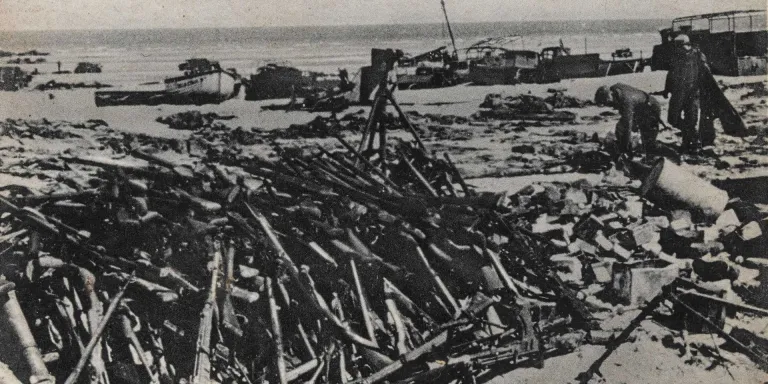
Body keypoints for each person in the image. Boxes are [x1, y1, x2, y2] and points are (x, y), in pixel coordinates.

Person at [663, 34, 710, 154]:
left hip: (693, 92)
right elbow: (671, 74)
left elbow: (706, 73)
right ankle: (689, 136)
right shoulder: (675, 57)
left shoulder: (698, 56)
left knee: (691, 119)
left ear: (685, 45)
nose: (678, 48)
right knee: (673, 119)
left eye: (679, 46)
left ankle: (690, 144)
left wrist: (703, 89)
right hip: (678, 93)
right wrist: (667, 89)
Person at [595, 83, 661, 159]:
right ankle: (627, 147)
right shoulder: (615, 89)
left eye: (608, 103)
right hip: (640, 108)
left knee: (648, 141)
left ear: (609, 96)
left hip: (651, 109)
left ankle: (653, 157)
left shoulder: (626, 100)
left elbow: (627, 126)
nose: (609, 105)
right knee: (620, 128)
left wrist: (625, 149)